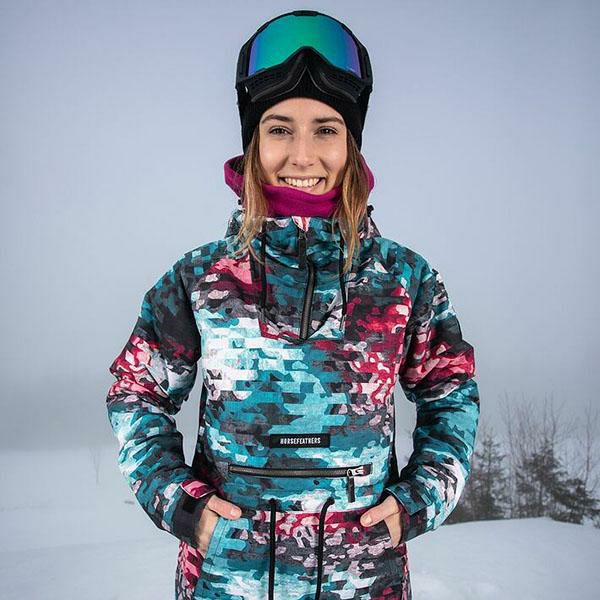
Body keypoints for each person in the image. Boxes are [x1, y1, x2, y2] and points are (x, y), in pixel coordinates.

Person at [106, 9, 480, 600]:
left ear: (351, 144)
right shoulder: (199, 280)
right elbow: (136, 393)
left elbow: (450, 393)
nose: (302, 156)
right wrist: (179, 502)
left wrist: (421, 497)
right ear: (253, 143)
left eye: (325, 130)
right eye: (280, 129)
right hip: (225, 582)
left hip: (365, 581)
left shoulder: (406, 280)